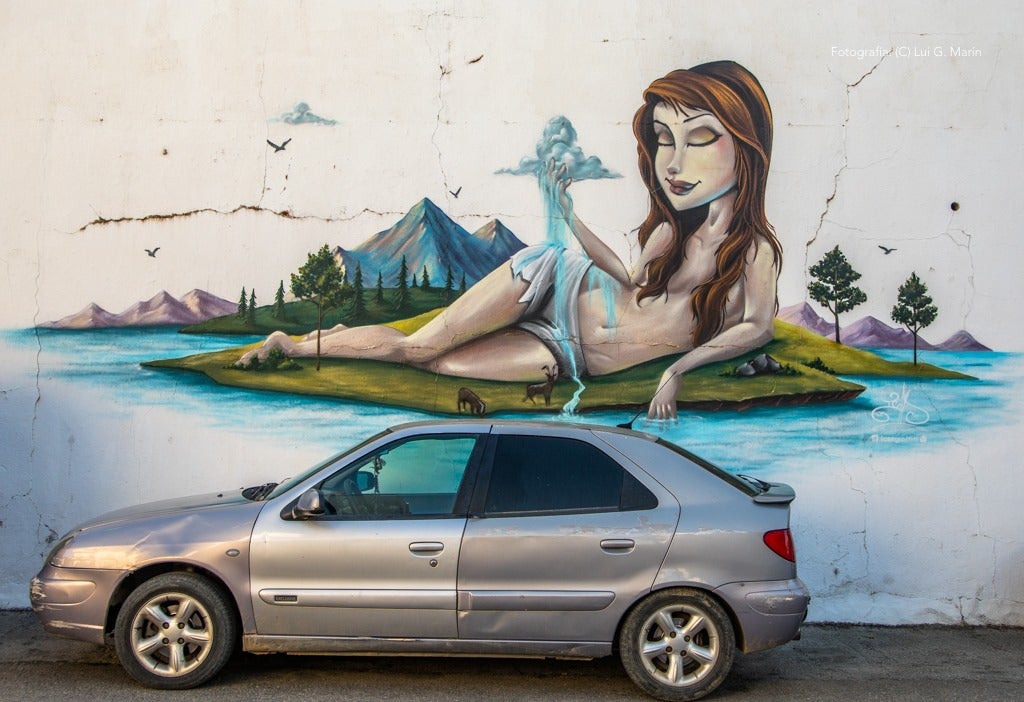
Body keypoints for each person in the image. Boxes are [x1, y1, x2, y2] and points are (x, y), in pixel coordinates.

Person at [237, 60, 782, 419]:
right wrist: (569, 218)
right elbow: (627, 278)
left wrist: (673, 373)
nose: (675, 163)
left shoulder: (754, 253)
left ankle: (339, 338)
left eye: (701, 138)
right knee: (419, 346)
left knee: (437, 365)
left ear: (747, 144)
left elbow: (756, 328)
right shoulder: (670, 231)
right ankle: (295, 343)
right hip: (555, 282)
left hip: (566, 357)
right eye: (664, 140)